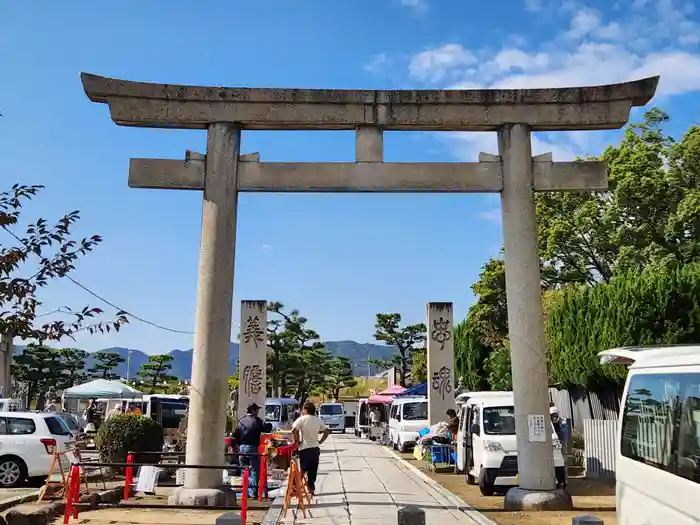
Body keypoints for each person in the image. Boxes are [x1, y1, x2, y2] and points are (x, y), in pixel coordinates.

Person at [292, 402, 330, 496]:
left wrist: (297, 441)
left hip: (304, 449)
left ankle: (295, 487)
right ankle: (311, 489)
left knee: (302, 470)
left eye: (303, 409)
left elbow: (294, 430)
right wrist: (320, 441)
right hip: (314, 449)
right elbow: (326, 431)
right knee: (313, 471)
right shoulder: (318, 420)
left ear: (306, 410)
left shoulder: (301, 419)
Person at [233, 403, 272, 496]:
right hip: (252, 448)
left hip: (242, 448)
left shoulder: (241, 421)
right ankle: (253, 491)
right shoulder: (257, 421)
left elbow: (235, 434)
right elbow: (266, 428)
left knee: (244, 470)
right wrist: (269, 424)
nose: (258, 412)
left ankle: (245, 492)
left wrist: (239, 444)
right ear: (253, 410)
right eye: (257, 410)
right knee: (254, 470)